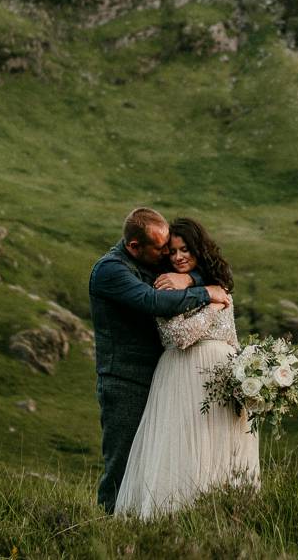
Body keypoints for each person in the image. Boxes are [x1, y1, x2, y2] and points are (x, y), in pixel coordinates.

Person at [114, 217, 260, 518]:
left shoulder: (217, 285)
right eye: (173, 251)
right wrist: (212, 305)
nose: (179, 257)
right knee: (184, 448)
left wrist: (246, 375)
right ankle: (174, 521)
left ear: (199, 250)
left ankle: (225, 518)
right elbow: (178, 336)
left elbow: (231, 336)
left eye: (186, 250)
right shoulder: (165, 286)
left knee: (224, 447)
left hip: (222, 377)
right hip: (184, 375)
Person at [89, 207, 231, 514]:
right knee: (123, 463)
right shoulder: (110, 271)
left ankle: (145, 526)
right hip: (125, 379)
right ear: (134, 247)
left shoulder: (149, 261)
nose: (167, 253)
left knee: (155, 460)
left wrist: (190, 279)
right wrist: (206, 292)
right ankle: (102, 529)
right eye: (161, 248)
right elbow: (154, 302)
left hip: (161, 378)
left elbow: (187, 269)